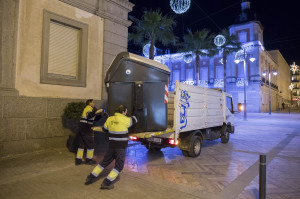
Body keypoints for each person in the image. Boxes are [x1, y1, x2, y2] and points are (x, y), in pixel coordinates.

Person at [85, 105, 138, 189]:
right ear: (123, 112)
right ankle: (106, 183)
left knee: (103, 163)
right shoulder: (126, 120)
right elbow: (135, 119)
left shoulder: (109, 119)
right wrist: (137, 110)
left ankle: (90, 177)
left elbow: (105, 129)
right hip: (120, 148)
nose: (126, 113)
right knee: (119, 166)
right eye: (126, 111)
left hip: (111, 146)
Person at [75, 99, 103, 165]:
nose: (93, 103)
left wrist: (101, 115)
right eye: (92, 102)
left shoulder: (89, 109)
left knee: (81, 145)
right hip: (86, 129)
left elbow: (93, 118)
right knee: (90, 144)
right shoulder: (88, 108)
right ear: (89, 103)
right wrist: (96, 112)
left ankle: (78, 160)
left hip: (82, 129)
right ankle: (89, 160)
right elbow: (90, 115)